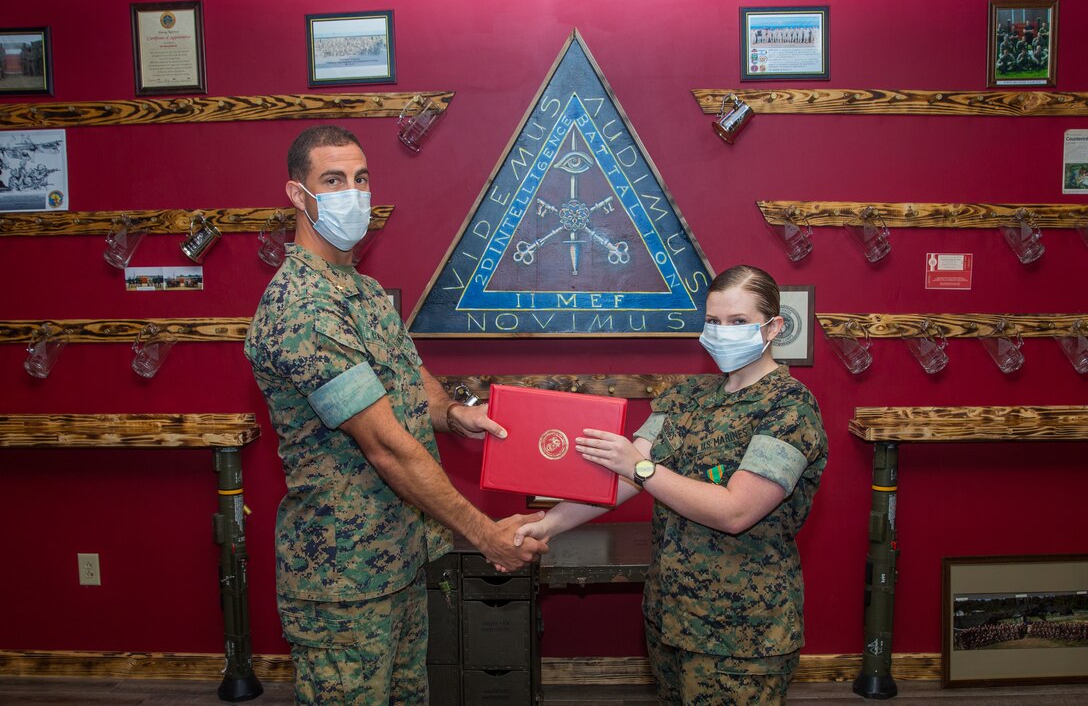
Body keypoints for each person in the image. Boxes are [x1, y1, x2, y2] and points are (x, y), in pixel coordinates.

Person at [244, 124, 548, 704]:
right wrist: (486, 535)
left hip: (398, 560)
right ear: (296, 194)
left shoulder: (358, 289)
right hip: (344, 578)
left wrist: (456, 413)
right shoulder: (304, 307)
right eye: (333, 180)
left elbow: (407, 383)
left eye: (361, 178)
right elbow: (383, 443)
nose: (353, 192)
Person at [515, 265, 828, 705]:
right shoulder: (687, 397)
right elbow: (621, 480)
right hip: (671, 616)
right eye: (713, 321)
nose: (722, 332)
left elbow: (735, 511)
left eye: (738, 322)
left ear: (773, 327)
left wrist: (642, 469)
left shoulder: (790, 409)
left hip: (742, 632)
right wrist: (547, 525)